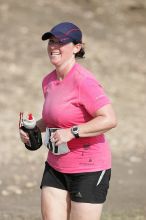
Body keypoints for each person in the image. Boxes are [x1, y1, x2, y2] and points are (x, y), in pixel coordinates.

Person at [19, 22, 117, 220]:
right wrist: (32, 129)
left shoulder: (84, 81)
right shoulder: (48, 81)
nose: (53, 47)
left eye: (60, 42)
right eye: (51, 42)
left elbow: (109, 119)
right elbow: (54, 118)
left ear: (76, 48)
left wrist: (72, 132)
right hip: (55, 167)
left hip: (89, 169)